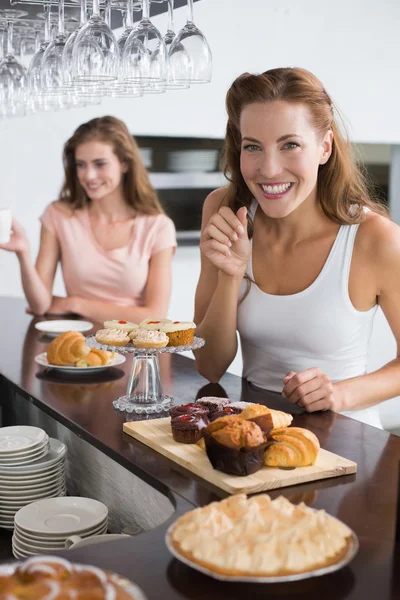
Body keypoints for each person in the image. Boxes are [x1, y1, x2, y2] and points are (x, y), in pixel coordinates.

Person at [194, 67, 400, 423]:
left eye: (290, 144)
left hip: (347, 440)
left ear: (324, 147)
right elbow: (209, 366)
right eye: (253, 147)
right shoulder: (224, 211)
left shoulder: (375, 238)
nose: (269, 169)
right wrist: (231, 274)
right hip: (254, 430)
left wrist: (339, 393)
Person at [0, 116, 176, 322]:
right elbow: (40, 305)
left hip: (130, 347)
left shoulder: (158, 227)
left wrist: (75, 304)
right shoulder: (59, 215)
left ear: (125, 164)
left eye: (100, 164)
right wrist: (23, 253)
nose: (89, 175)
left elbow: (155, 315)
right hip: (78, 345)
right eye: (81, 165)